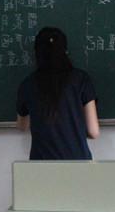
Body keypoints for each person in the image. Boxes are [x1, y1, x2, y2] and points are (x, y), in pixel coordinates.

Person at [16, 27, 100, 159]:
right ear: (65, 51)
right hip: (78, 162)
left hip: (41, 164)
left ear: (37, 53)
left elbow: (22, 126)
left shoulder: (28, 84)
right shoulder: (81, 80)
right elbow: (93, 132)